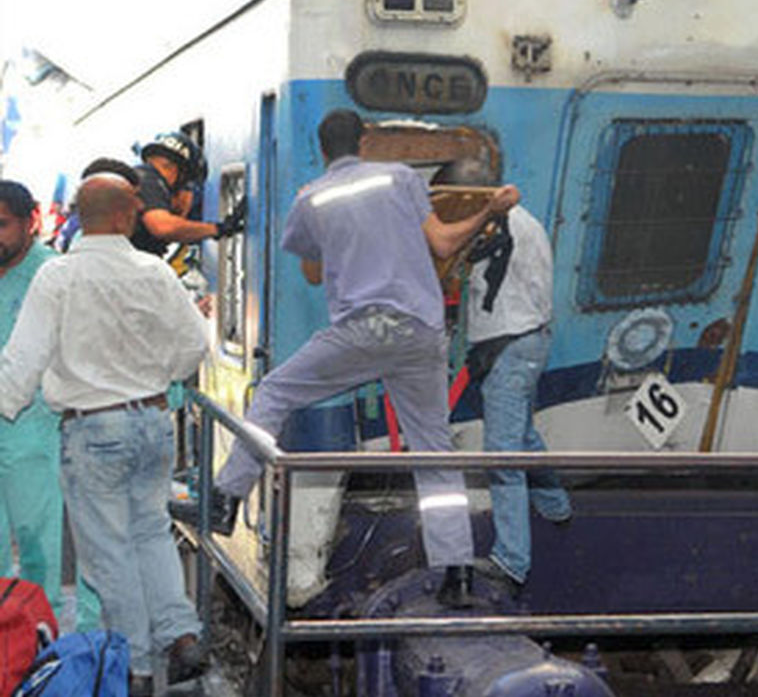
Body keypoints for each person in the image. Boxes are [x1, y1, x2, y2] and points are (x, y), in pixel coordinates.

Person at [169, 109, 511, 607]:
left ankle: (225, 498)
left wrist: (346, 240)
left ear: (323, 149)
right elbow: (441, 241)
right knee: (434, 450)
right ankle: (456, 571)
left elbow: (310, 270)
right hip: (419, 331)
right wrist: (491, 209)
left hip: (361, 331)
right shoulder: (399, 178)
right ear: (366, 141)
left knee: (275, 393)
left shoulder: (311, 198)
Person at [0, 174, 209, 695]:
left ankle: (135, 665)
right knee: (151, 533)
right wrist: (153, 379)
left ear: (81, 215)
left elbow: (21, 364)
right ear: (125, 217)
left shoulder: (58, 278)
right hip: (152, 422)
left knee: (108, 553)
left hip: (93, 431)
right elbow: (192, 348)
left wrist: (6, 404)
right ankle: (182, 635)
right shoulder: (155, 271)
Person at [432, 159, 572, 593]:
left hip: (513, 346)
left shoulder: (504, 222)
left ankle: (512, 561)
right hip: (517, 344)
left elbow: (452, 253)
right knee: (522, 433)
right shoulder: (508, 222)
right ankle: (555, 504)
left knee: (502, 452)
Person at [0, 180, 65, 615]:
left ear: (31, 222)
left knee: (37, 535)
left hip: (34, 424)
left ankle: (37, 630)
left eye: (2, 225)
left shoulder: (55, 274)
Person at [131, 132, 242, 257]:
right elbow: (163, 227)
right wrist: (218, 229)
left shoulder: (136, 178)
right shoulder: (148, 180)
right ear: (180, 174)